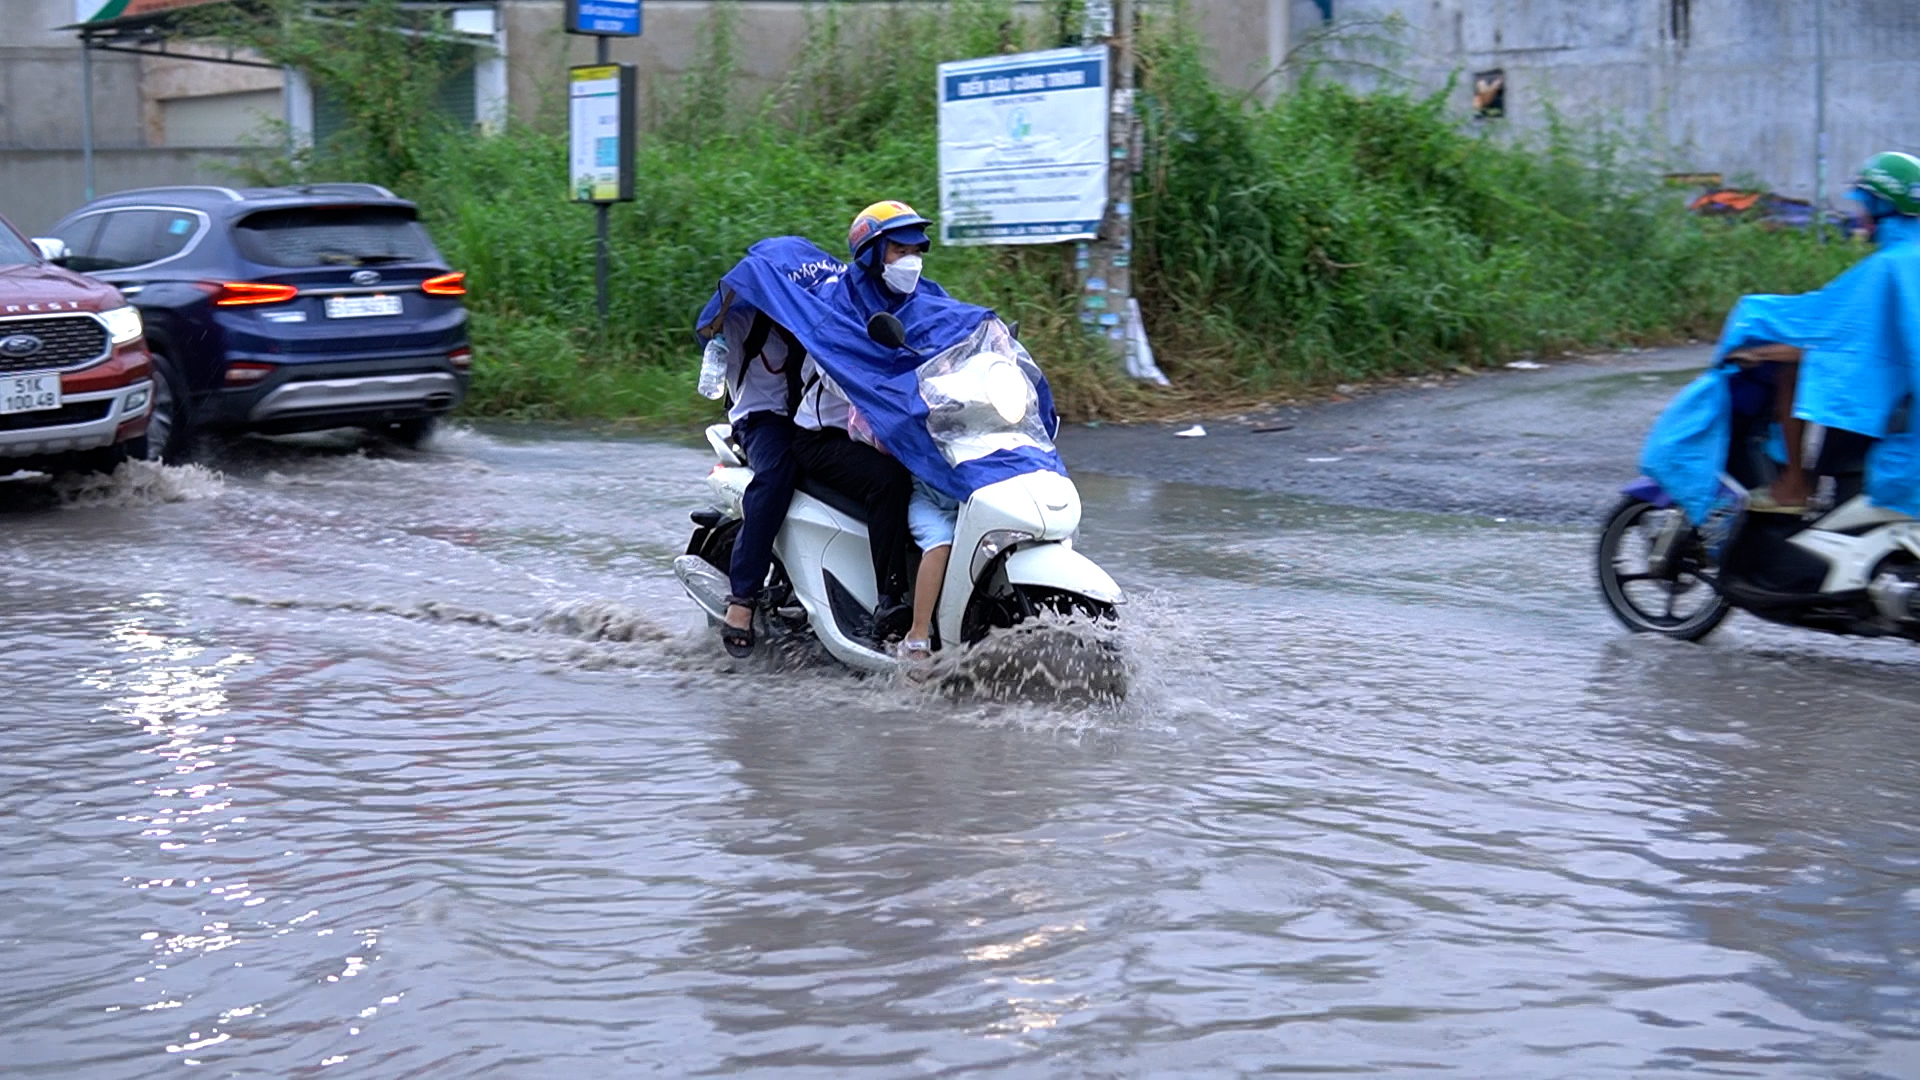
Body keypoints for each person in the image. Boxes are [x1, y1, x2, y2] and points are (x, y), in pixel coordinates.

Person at [1728, 151, 1920, 510]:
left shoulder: (1887, 267)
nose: (1859, 214)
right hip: (1903, 393)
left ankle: (1795, 485)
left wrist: (1757, 348)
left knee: (1789, 369)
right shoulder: (1908, 257)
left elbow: (1830, 339)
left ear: (1881, 205)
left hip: (1891, 404)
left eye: (1865, 203)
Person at [788, 200, 937, 641]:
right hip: (826, 437)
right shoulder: (837, 302)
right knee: (890, 480)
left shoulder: (921, 295)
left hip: (892, 430)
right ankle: (890, 602)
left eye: (917, 250)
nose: (911, 261)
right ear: (872, 253)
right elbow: (841, 376)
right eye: (899, 250)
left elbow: (954, 328)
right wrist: (898, 391)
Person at [715, 307, 806, 657]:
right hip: (762, 420)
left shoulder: (815, 317)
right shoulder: (740, 320)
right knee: (776, 475)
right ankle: (743, 597)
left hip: (816, 417)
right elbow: (708, 335)